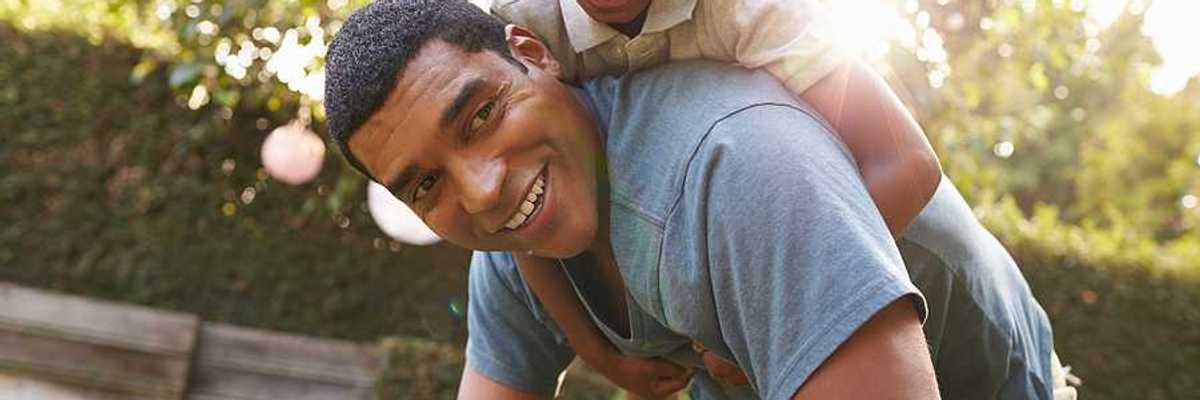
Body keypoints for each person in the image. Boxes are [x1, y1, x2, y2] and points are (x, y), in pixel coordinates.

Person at [322, 1, 1070, 399]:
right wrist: (592, 349)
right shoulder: (528, 202)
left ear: (533, 58)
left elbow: (906, 162)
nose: (483, 188)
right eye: (426, 184)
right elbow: (519, 253)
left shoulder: (740, 152)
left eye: (481, 114)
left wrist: (796, 279)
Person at [487, 0, 946, 395]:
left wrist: (775, 311)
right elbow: (520, 226)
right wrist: (599, 354)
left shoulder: (755, 12)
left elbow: (906, 164)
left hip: (893, 248)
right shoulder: (528, 23)